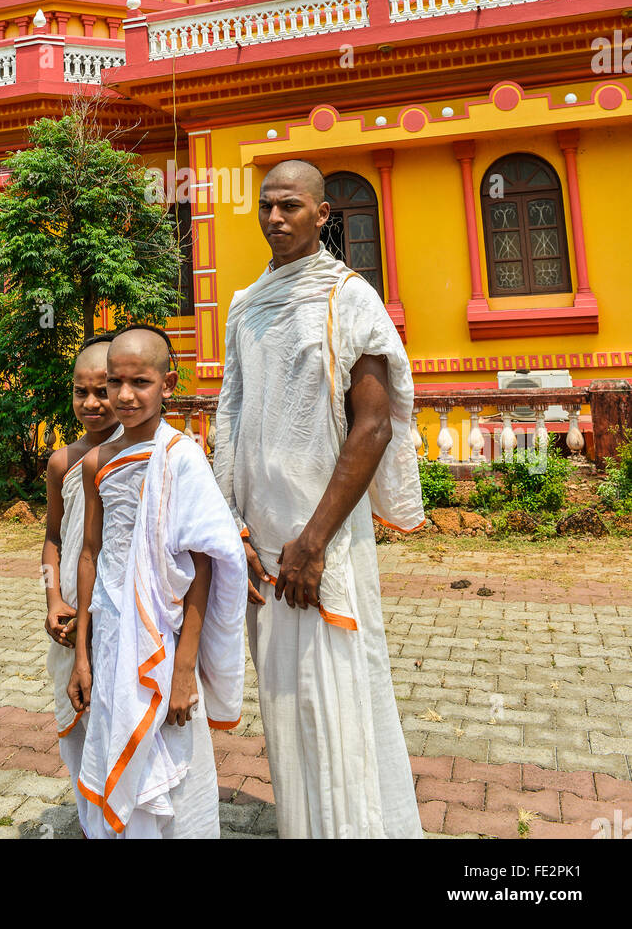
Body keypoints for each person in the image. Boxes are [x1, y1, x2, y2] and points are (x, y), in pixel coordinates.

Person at [213, 159, 426, 839]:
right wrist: (233, 528)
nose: (275, 218)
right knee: (284, 698)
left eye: (291, 207)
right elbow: (231, 416)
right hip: (262, 538)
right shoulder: (246, 304)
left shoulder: (347, 298)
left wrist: (313, 541)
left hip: (321, 537)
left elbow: (372, 424)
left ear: (321, 215)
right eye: (266, 206)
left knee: (336, 691)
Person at [67, 325, 247, 839]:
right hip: (107, 632)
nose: (124, 396)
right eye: (113, 383)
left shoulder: (182, 457)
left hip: (163, 640)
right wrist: (81, 653)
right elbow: (89, 553)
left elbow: (206, 563)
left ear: (167, 385)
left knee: (171, 760)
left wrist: (185, 671)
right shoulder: (97, 462)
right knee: (111, 729)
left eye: (139, 382)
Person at [42, 335, 121, 831]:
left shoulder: (148, 452)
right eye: (79, 392)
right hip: (74, 613)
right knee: (82, 714)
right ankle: (94, 817)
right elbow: (53, 540)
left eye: (101, 391)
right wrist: (53, 598)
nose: (91, 404)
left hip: (122, 613)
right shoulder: (62, 462)